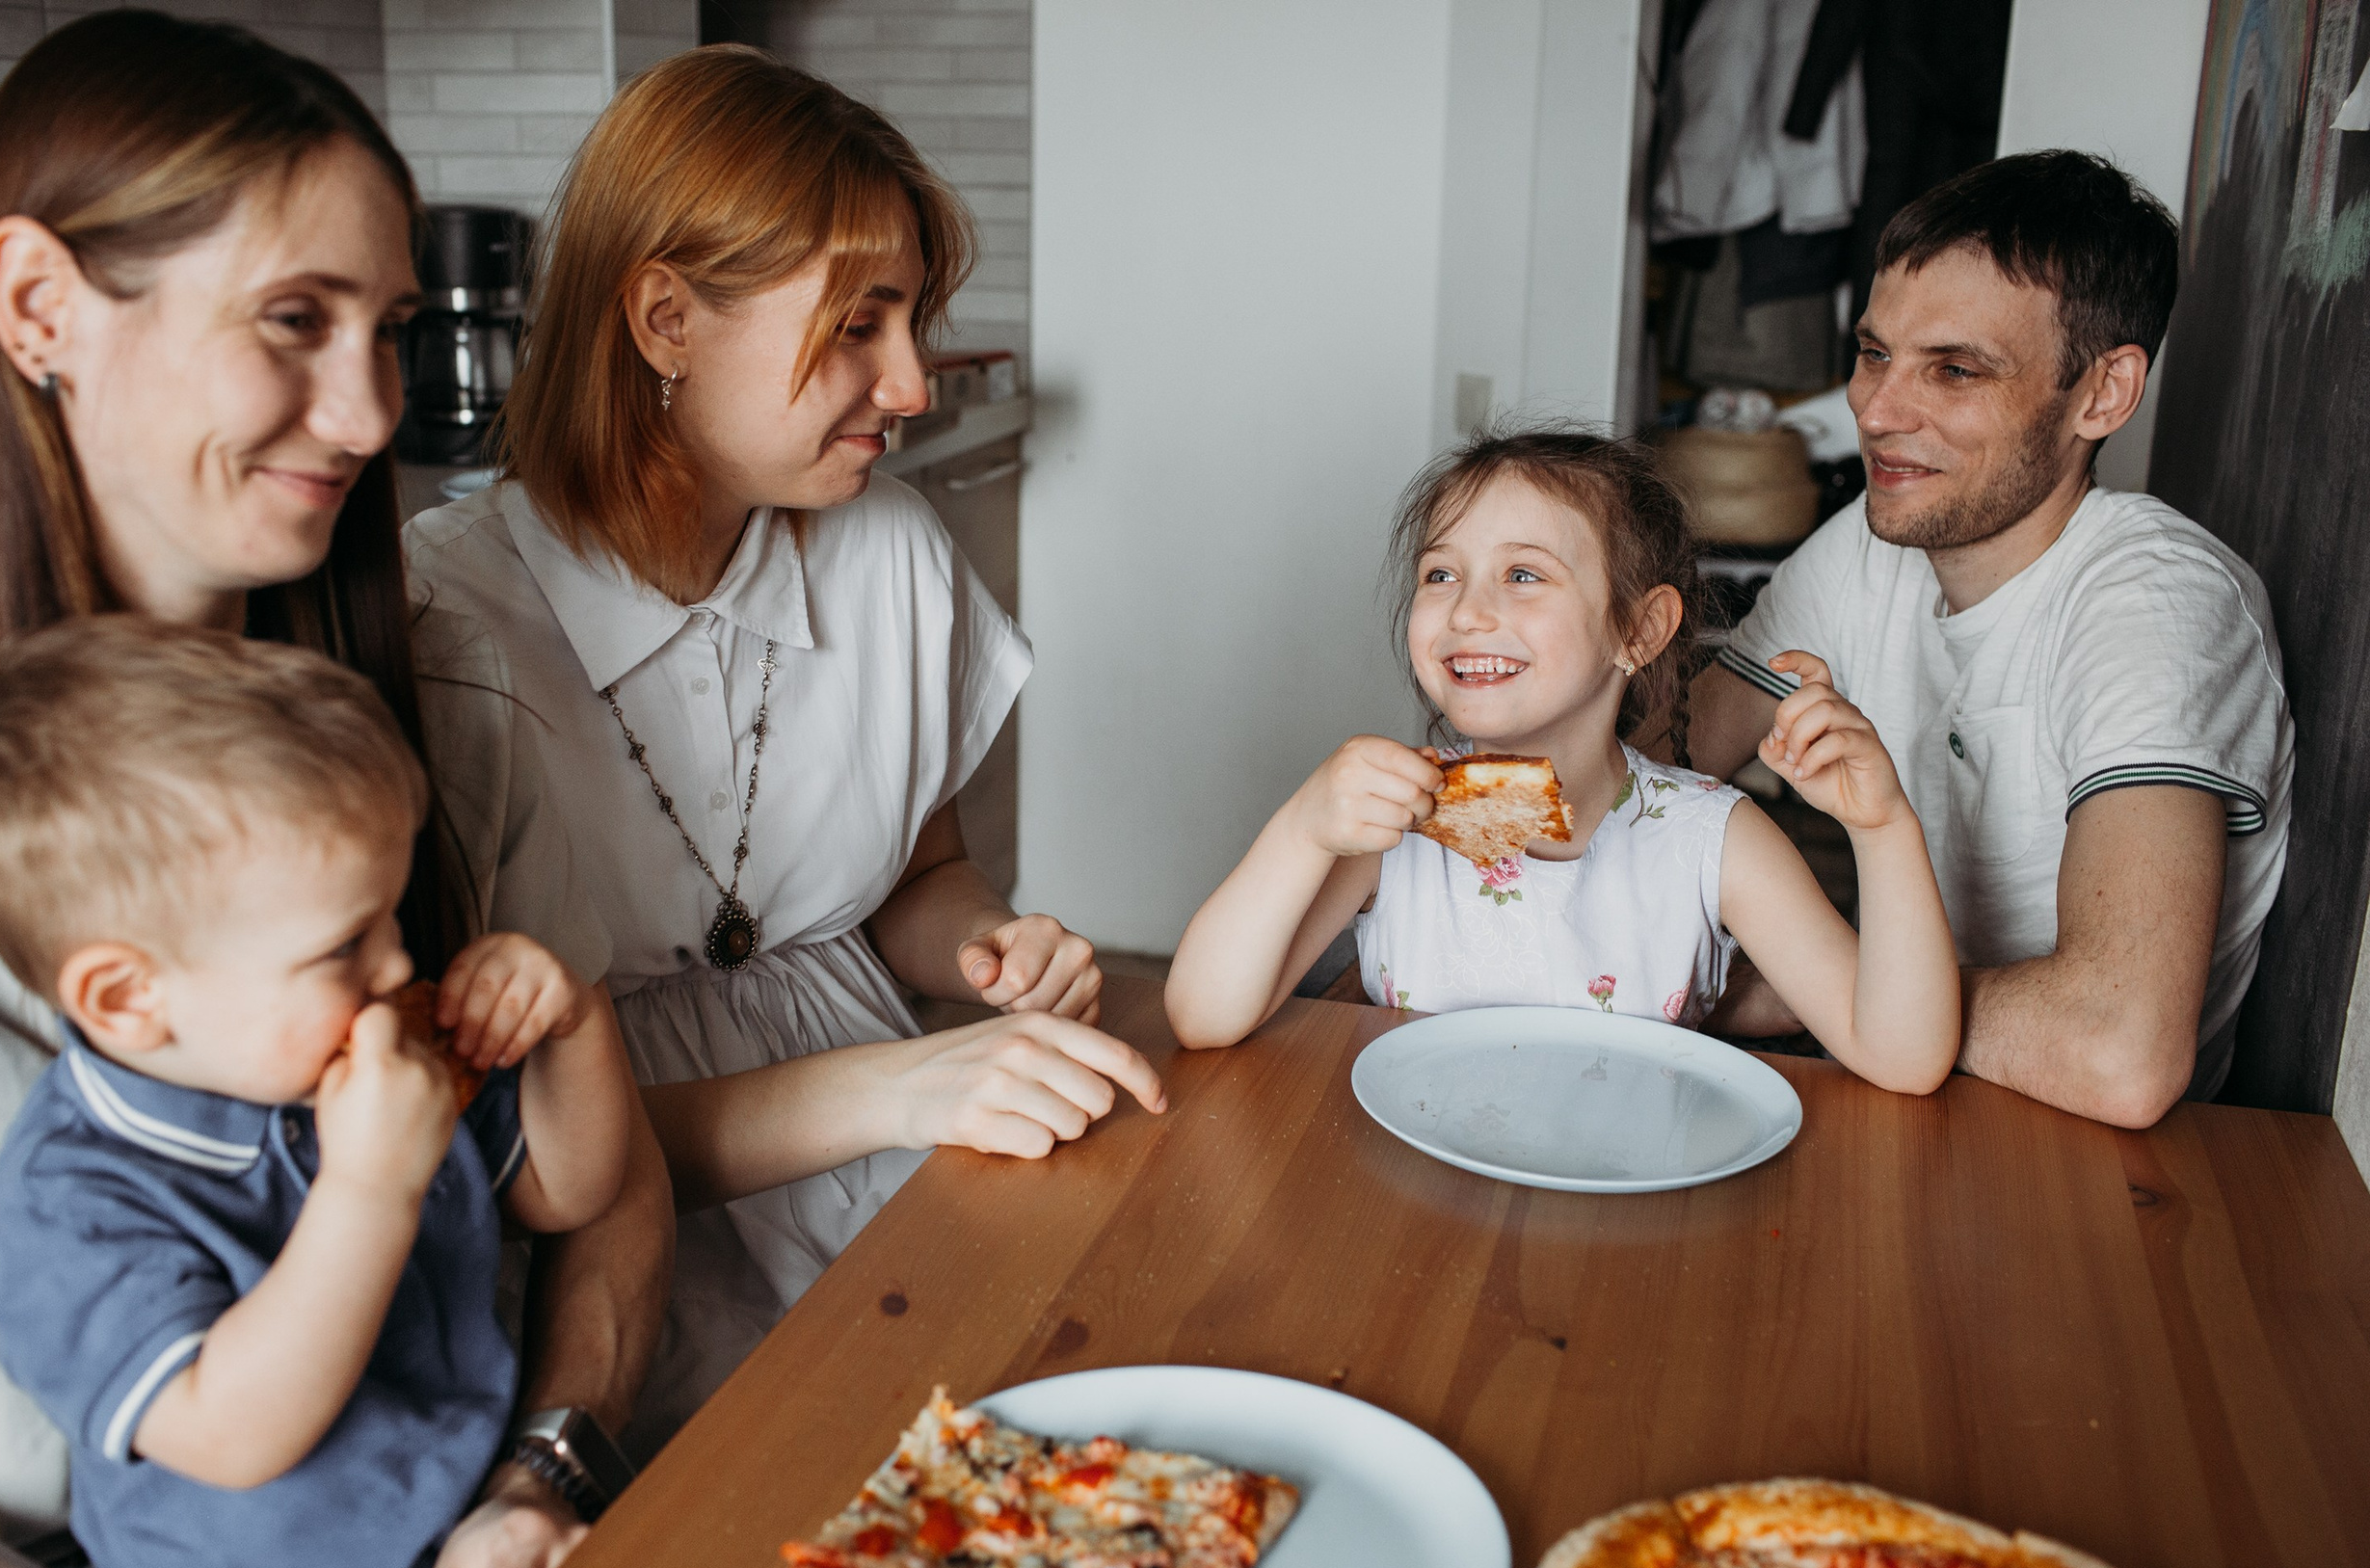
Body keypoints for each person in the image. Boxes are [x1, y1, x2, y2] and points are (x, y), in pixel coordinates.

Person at [0, 14, 672, 1568]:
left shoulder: (443, 696)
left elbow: (601, 1194)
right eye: (294, 320)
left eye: (388, 328)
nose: (371, 411)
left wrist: (539, 1481)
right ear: (39, 306)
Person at [403, 45, 1164, 1446]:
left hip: (890, 1172)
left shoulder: (891, 548)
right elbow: (515, 1153)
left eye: (912, 321)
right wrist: (900, 1082)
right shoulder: (449, 623)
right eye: (861, 323)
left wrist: (986, 943)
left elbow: (920, 874)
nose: (912, 384)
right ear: (666, 320)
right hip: (603, 1280)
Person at [0, 621, 634, 1568]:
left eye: (389, 917)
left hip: (478, 1535)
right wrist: (370, 1188)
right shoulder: (68, 1198)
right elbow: (233, 1432)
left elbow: (570, 1190)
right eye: (345, 943)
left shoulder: (364, 1064)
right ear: (129, 997)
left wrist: (572, 1029)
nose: (397, 966)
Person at [1683, 150, 2294, 1126]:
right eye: (1874, 353)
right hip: (1911, 1097)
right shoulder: (1875, 542)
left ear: (2102, 394)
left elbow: (2117, 1051)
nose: (1877, 412)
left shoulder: (2158, 601)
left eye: (1955, 370)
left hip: (2081, 1157)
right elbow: (1665, 763)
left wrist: (1811, 988)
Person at [1163, 429, 1959, 1098]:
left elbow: (1904, 1056)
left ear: (1638, 630)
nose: (1467, 609)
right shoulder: (1395, 819)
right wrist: (1302, 828)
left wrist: (1882, 827)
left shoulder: (1714, 838)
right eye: (1441, 574)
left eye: (1522, 574)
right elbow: (1203, 1015)